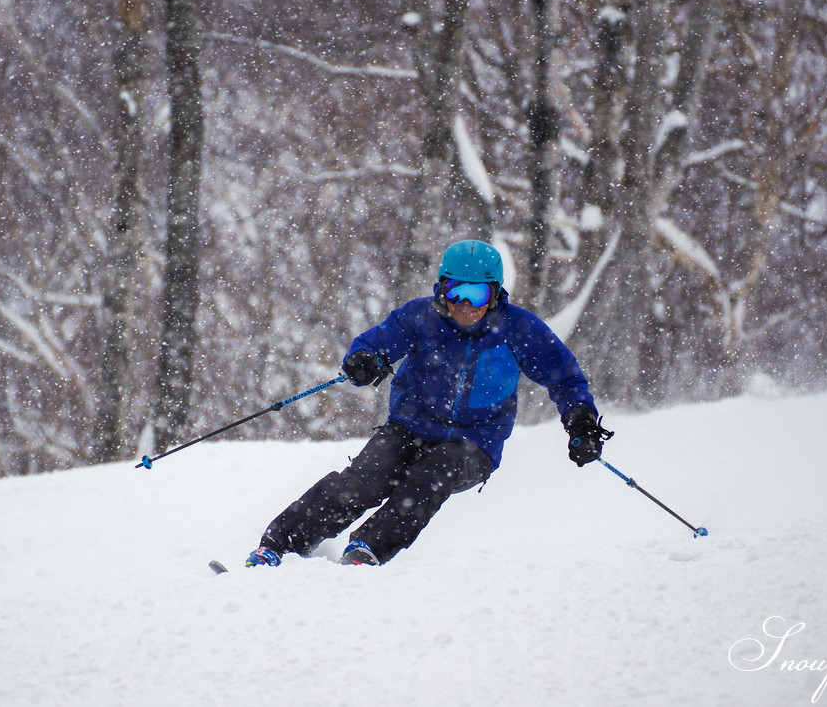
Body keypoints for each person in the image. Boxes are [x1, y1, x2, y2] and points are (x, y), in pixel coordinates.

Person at [244, 239, 611, 567]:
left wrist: (580, 421)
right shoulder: (421, 317)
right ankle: (279, 546)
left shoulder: (519, 329)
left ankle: (366, 550)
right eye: (456, 293)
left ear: (496, 294)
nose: (466, 305)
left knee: (430, 477)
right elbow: (376, 343)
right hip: (409, 428)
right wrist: (364, 360)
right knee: (363, 481)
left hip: (474, 443)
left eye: (478, 295)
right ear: (442, 290)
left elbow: (564, 377)